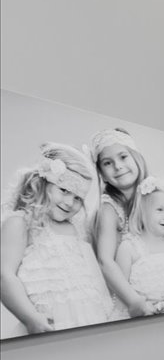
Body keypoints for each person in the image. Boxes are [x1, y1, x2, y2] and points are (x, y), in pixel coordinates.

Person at [0, 143, 113, 334]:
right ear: (43, 183)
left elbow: (93, 280)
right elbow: (5, 275)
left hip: (87, 321)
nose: (70, 203)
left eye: (78, 198)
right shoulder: (21, 223)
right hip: (47, 326)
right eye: (64, 190)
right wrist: (31, 319)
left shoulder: (77, 229)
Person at [90, 128, 164, 317]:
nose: (118, 166)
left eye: (123, 157)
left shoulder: (156, 195)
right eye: (107, 163)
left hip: (159, 297)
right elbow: (105, 261)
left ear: (137, 157)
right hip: (127, 299)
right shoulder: (108, 209)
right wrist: (134, 301)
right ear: (101, 172)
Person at [115, 178, 164, 313]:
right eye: (160, 209)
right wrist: (141, 307)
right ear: (143, 213)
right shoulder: (129, 247)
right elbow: (120, 291)